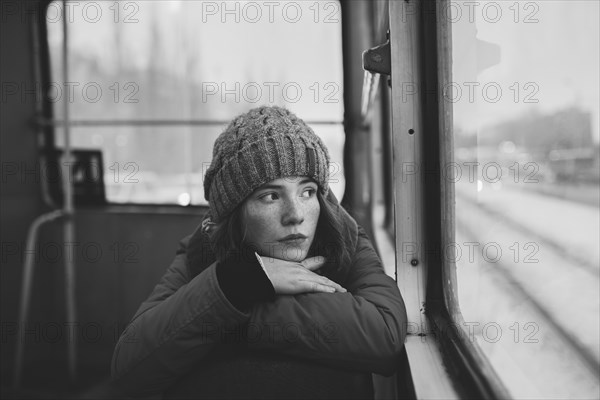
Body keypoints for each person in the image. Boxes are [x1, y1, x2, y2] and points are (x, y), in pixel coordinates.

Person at [111, 106, 407, 399]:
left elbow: (384, 333)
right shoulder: (203, 248)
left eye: (307, 191)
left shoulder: (344, 236)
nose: (296, 215)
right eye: (270, 196)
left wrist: (233, 310)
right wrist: (236, 281)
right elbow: (130, 368)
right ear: (236, 212)